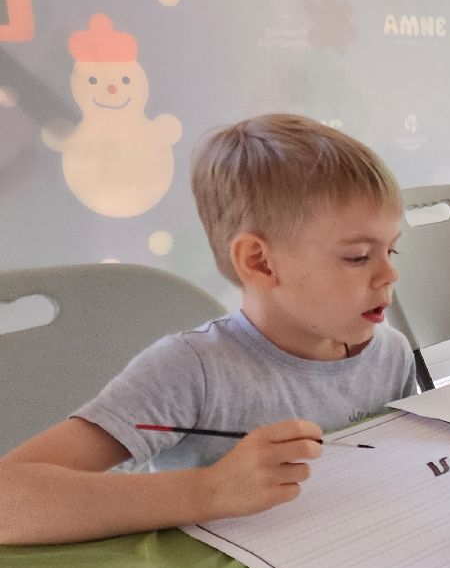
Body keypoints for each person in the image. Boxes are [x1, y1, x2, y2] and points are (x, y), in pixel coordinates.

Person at [0, 114, 416, 545]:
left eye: (392, 248)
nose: (390, 274)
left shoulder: (391, 353)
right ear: (260, 262)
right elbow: (7, 501)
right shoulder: (191, 370)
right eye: (358, 257)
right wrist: (212, 489)